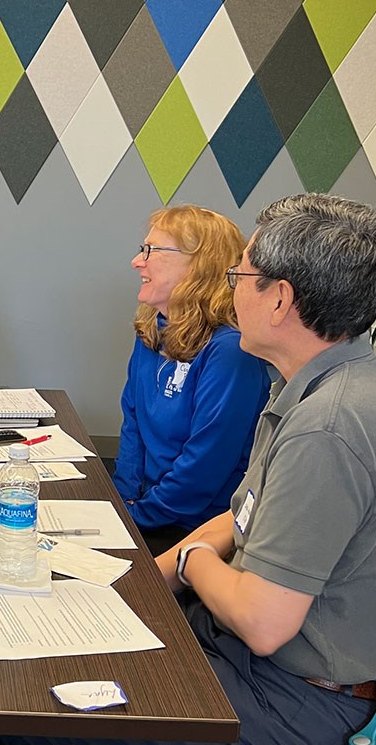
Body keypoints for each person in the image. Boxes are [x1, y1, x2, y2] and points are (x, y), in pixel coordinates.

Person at [5, 193, 376, 745]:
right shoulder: (312, 389)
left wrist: (189, 561)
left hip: (289, 692)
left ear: (279, 299)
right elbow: (240, 519)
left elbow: (262, 622)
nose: (229, 288)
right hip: (240, 648)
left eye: (240, 274)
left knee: (29, 718)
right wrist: (142, 582)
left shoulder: (327, 427)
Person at [113, 205, 271, 554]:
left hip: (196, 531)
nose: (137, 262)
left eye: (151, 251)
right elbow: (133, 424)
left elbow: (204, 467)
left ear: (199, 265)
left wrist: (137, 518)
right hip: (145, 513)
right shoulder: (153, 330)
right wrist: (120, 504)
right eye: (143, 249)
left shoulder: (230, 351)